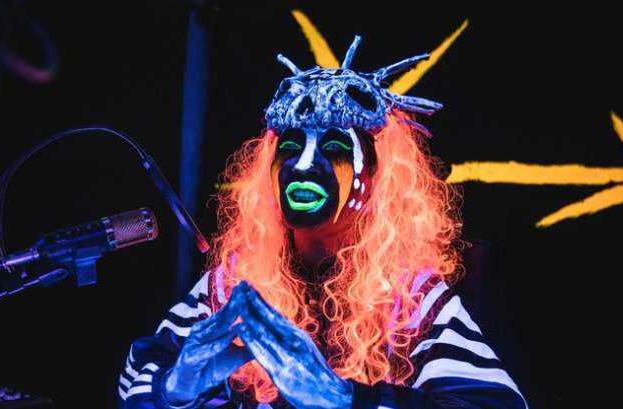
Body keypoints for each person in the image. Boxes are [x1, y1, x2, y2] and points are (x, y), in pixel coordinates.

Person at [118, 36, 527, 409]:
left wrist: (345, 399)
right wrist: (174, 390)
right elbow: (135, 383)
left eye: (332, 148)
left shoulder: (410, 297)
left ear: (373, 177)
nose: (303, 165)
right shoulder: (234, 284)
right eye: (290, 146)